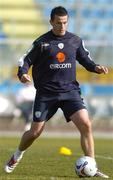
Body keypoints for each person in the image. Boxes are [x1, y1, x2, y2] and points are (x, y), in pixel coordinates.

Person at [5, 6, 109, 178]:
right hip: (47, 94)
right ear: (51, 21)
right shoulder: (42, 43)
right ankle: (17, 155)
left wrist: (96, 67)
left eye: (65, 22)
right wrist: (22, 74)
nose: (62, 26)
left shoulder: (75, 40)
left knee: (86, 124)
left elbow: (86, 60)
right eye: (59, 23)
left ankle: (91, 165)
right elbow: (25, 60)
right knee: (35, 132)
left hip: (70, 91)